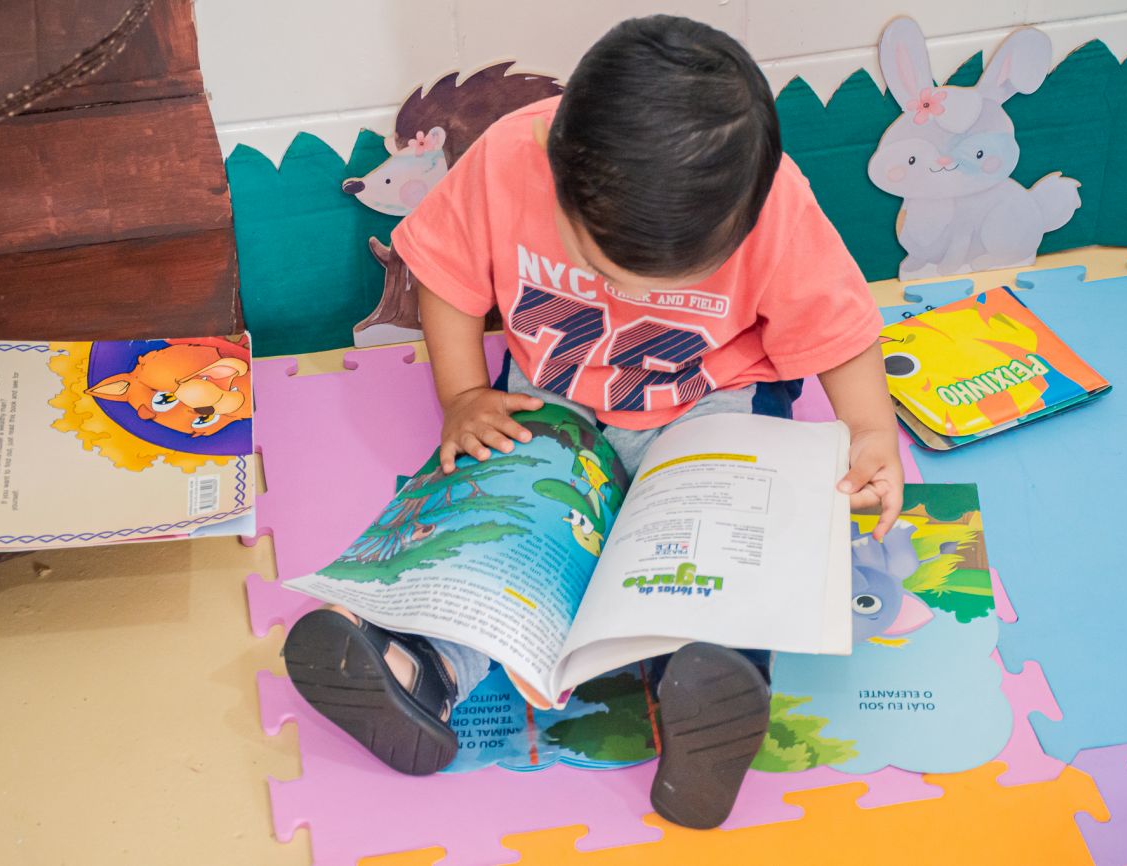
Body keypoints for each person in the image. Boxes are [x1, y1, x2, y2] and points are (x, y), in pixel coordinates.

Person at [284, 15, 903, 830]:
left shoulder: (776, 200)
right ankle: (416, 665)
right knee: (508, 528)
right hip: (555, 398)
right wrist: (464, 396)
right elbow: (446, 275)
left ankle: (709, 684)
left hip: (712, 405)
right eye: (611, 268)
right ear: (559, 169)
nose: (636, 294)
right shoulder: (511, 156)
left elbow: (839, 328)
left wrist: (871, 433)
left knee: (718, 550)